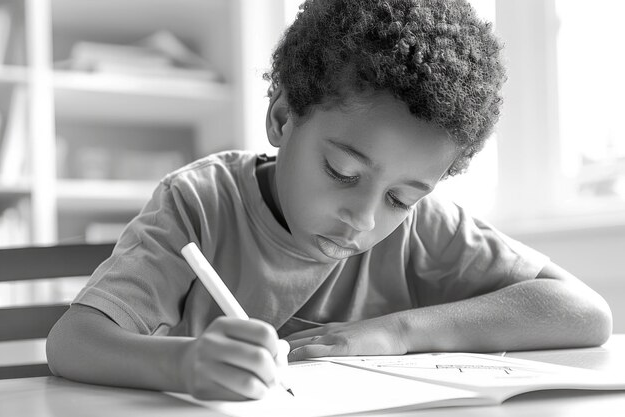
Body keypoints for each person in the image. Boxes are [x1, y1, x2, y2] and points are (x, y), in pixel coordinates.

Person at [46, 0, 612, 402]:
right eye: (342, 172)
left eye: (400, 197)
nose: (363, 219)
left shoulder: (423, 229)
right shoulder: (199, 203)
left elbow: (584, 314)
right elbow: (73, 342)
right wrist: (186, 364)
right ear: (282, 118)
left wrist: (399, 332)